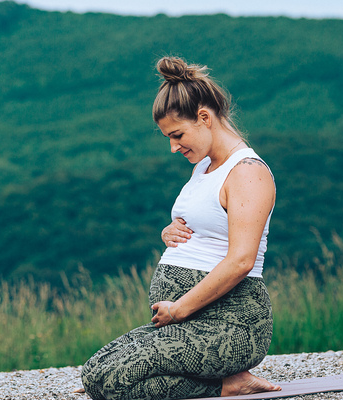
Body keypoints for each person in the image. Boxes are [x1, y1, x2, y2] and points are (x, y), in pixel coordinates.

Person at [81, 56, 280, 400]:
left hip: (231, 324)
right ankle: (224, 383)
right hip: (190, 323)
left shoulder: (248, 171)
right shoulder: (203, 166)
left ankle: (229, 383)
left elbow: (241, 260)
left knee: (114, 383)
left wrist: (180, 307)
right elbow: (204, 225)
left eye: (177, 135)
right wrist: (169, 233)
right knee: (94, 372)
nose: (173, 147)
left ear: (204, 117)